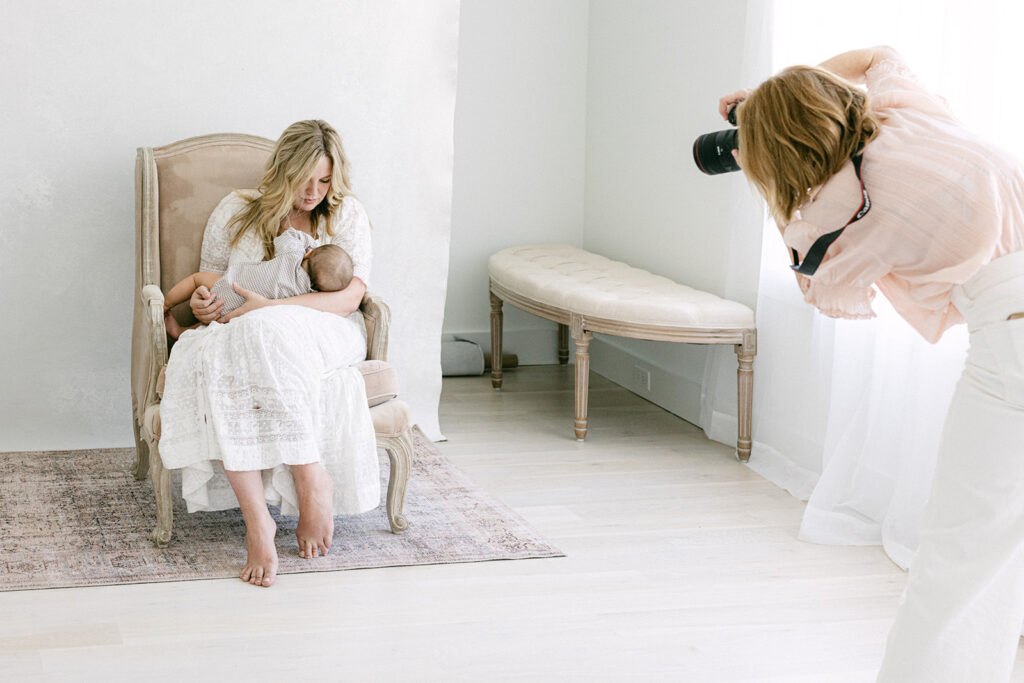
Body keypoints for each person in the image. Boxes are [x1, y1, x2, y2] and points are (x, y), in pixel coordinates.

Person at [720, 47, 1024, 681]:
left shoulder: (846, 210)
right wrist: (762, 98)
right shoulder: (906, 113)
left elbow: (818, 287)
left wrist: (777, 188)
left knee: (959, 552)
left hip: (1013, 337)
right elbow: (880, 55)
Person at [158, 119, 378, 588]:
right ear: (282, 170)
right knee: (233, 347)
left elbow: (350, 299)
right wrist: (200, 306)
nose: (314, 192)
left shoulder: (347, 214)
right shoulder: (235, 210)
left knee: (258, 328)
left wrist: (270, 308)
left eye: (324, 180)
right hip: (236, 329)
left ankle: (308, 474)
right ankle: (258, 519)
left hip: (324, 331)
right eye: (305, 181)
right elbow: (210, 283)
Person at [162, 229, 354, 339]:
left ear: (309, 254)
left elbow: (288, 236)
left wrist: (309, 243)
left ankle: (165, 303)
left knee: (198, 278)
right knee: (209, 329)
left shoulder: (292, 255)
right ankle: (180, 332)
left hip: (230, 284)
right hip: (236, 314)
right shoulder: (307, 295)